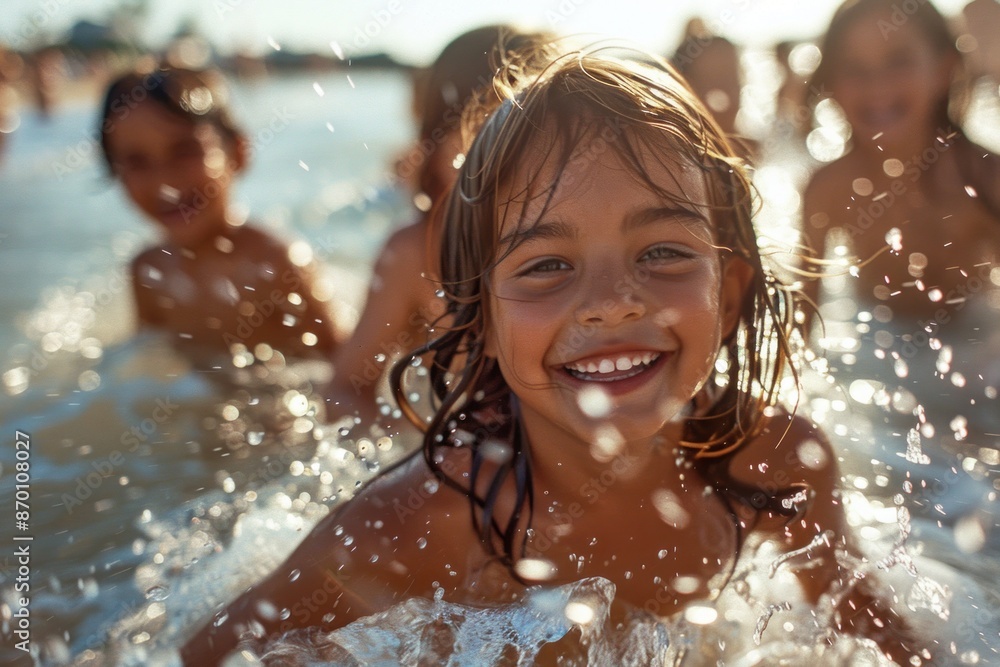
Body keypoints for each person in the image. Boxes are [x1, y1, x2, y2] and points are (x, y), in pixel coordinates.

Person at [183, 47, 919, 664]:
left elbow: (879, 637)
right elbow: (211, 651)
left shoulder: (779, 464)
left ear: (728, 293)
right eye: (545, 265)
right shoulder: (426, 517)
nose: (612, 300)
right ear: (481, 322)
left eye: (662, 251)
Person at [324, 26, 551, 428]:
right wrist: (419, 462)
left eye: (539, 141)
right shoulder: (414, 256)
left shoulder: (583, 244)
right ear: (434, 144)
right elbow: (345, 389)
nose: (513, 166)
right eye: (485, 138)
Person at [801, 0, 1000, 430]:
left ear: (944, 69)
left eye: (898, 61)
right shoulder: (828, 190)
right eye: (855, 68)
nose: (877, 85)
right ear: (831, 82)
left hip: (977, 353)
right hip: (880, 358)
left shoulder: (984, 178)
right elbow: (801, 319)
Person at [99, 64, 340, 362]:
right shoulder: (148, 271)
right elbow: (150, 364)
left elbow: (344, 370)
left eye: (184, 151)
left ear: (238, 153)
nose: (164, 182)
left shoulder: (277, 263)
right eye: (136, 162)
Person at [670, 18, 756, 160]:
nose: (727, 91)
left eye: (732, 78)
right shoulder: (679, 157)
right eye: (713, 79)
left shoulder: (757, 150)